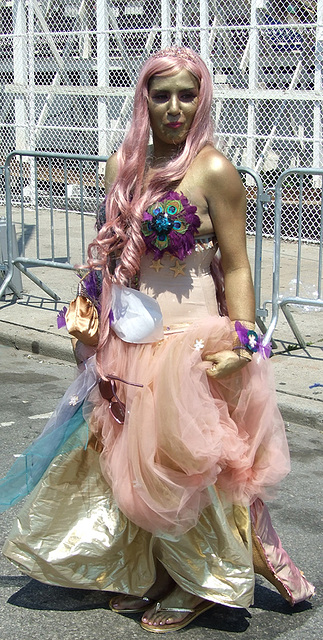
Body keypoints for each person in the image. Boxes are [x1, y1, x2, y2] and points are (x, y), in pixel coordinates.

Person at [0, 47, 314, 633]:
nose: (174, 108)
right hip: (129, 341)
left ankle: (205, 584)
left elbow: (238, 265)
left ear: (203, 99)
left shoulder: (215, 170)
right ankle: (160, 572)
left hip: (193, 343)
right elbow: (106, 255)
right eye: (160, 94)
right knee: (133, 465)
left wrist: (243, 342)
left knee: (191, 465)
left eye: (186, 94)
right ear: (143, 98)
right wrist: (88, 312)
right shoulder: (122, 163)